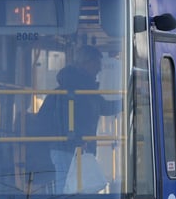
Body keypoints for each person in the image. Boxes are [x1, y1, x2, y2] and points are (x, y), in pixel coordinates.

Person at [37, 45, 121, 190]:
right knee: (67, 190)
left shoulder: (76, 90)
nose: (99, 69)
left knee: (72, 188)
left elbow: (103, 107)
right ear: (86, 63)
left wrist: (128, 101)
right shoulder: (80, 91)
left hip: (74, 147)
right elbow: (45, 120)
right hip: (67, 147)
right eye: (96, 64)